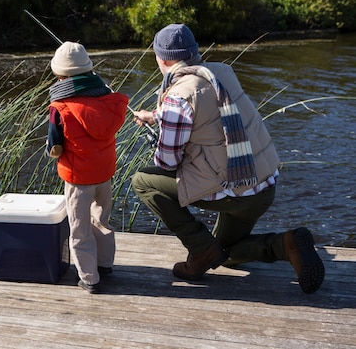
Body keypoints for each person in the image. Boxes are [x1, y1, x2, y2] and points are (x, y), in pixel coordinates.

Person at [130, 24, 325, 294]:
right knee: (225, 254)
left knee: (142, 181)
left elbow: (167, 162)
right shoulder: (222, 72)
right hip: (263, 186)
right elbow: (208, 113)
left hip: (233, 191)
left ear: (161, 59)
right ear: (195, 52)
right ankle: (287, 244)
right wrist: (157, 117)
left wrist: (161, 131)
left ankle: (200, 250)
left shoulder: (176, 97)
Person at [46, 41, 129, 293]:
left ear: (60, 75)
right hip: (104, 173)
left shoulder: (59, 108)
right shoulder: (108, 99)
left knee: (79, 229)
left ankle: (89, 278)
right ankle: (104, 264)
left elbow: (54, 146)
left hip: (77, 178)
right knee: (101, 219)